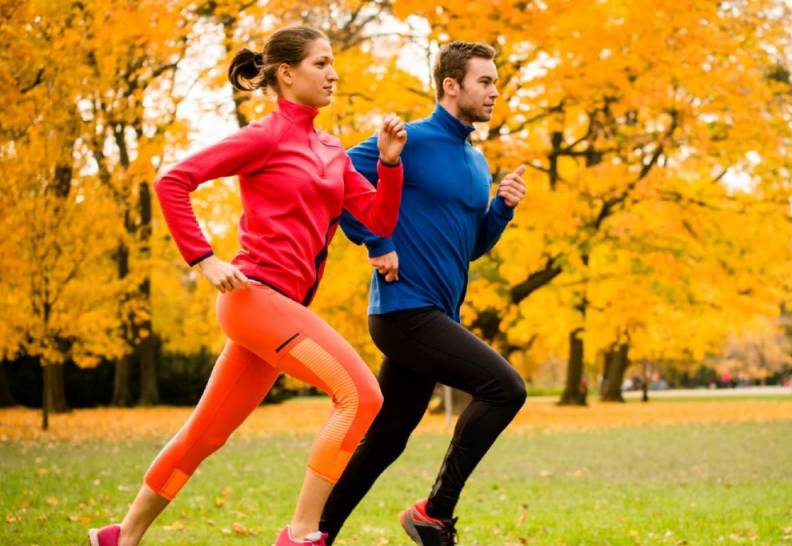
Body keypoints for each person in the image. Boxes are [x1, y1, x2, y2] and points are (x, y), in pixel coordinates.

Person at [87, 26, 407, 546]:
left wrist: (390, 164)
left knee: (205, 434)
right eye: (321, 64)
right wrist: (205, 259)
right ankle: (301, 533)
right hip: (254, 298)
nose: (333, 73)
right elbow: (174, 182)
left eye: (332, 64)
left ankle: (120, 537)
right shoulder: (265, 135)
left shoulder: (330, 150)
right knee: (360, 395)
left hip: (282, 310)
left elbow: (377, 218)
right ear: (287, 74)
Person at [318, 41, 527, 546]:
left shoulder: (477, 163)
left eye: (496, 82)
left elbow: (469, 247)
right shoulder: (409, 138)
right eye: (484, 81)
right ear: (451, 85)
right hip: (403, 308)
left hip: (435, 314)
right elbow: (338, 179)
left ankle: (313, 534)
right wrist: (377, 242)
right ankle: (434, 513)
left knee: (387, 439)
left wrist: (499, 210)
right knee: (506, 388)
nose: (494, 92)